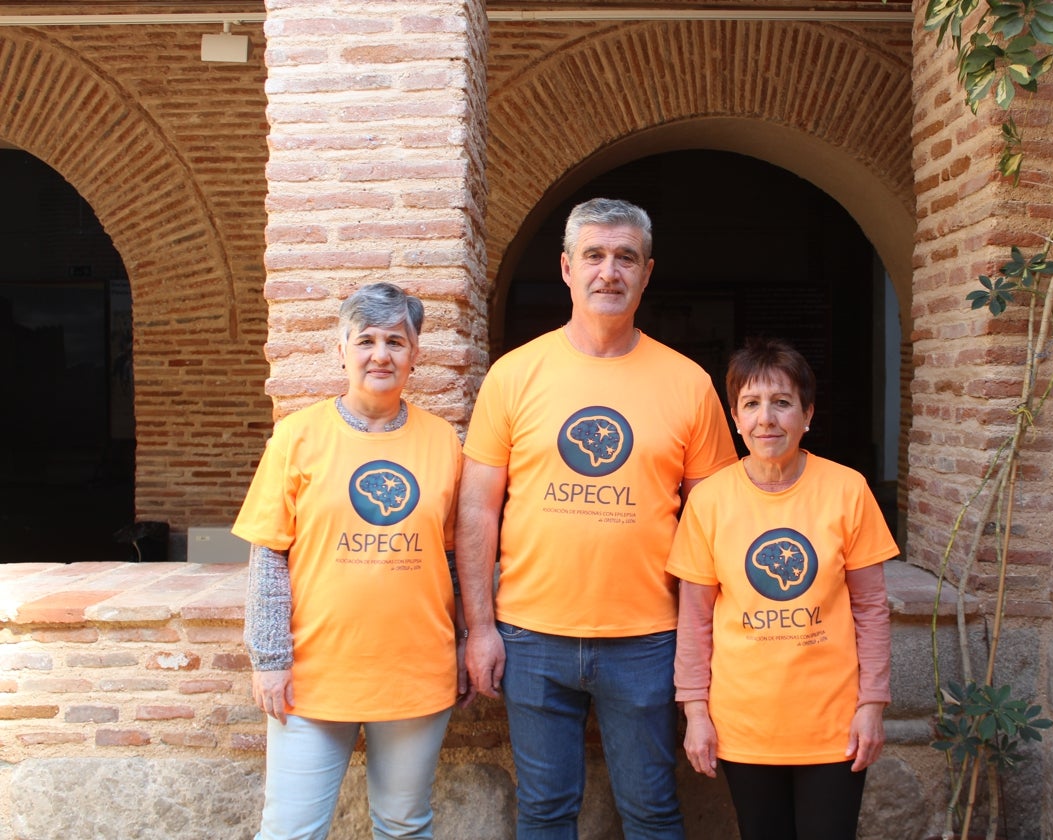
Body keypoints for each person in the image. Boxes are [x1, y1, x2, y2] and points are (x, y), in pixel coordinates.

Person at [456, 197, 737, 839]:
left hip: (648, 638)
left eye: (625, 257)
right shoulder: (514, 375)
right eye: (594, 255)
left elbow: (718, 522)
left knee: (652, 812)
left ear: (646, 272)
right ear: (566, 268)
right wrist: (479, 628)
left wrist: (707, 645)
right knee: (545, 814)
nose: (608, 271)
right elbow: (477, 509)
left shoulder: (688, 383)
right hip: (528, 635)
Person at [233, 282, 470, 840]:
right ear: (340, 350)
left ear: (416, 354)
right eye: (365, 340)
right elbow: (269, 554)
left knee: (404, 825)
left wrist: (464, 642)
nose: (380, 354)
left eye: (396, 340)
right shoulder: (297, 436)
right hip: (313, 676)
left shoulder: (444, 443)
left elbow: (457, 557)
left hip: (415, 672)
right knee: (290, 830)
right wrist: (268, 656)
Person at [669, 337, 897, 840]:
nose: (766, 418)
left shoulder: (847, 489)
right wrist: (695, 711)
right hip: (744, 725)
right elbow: (696, 617)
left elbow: (871, 609)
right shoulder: (709, 501)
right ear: (734, 418)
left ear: (807, 414)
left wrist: (872, 705)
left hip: (834, 725)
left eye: (782, 402)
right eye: (751, 404)